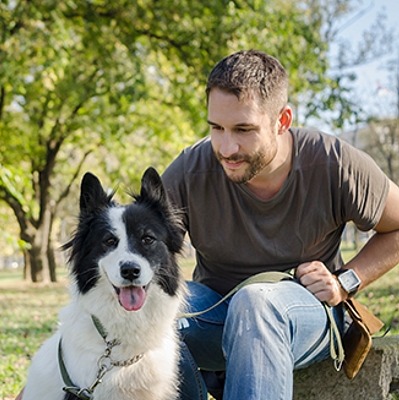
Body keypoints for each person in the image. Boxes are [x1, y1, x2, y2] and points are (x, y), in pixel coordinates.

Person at [162, 49, 399, 399]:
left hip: (306, 316)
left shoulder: (333, 163)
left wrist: (345, 281)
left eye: (244, 129)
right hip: (217, 315)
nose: (226, 147)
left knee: (255, 303)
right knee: (156, 308)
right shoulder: (189, 170)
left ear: (282, 120)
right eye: (216, 128)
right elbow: (139, 245)